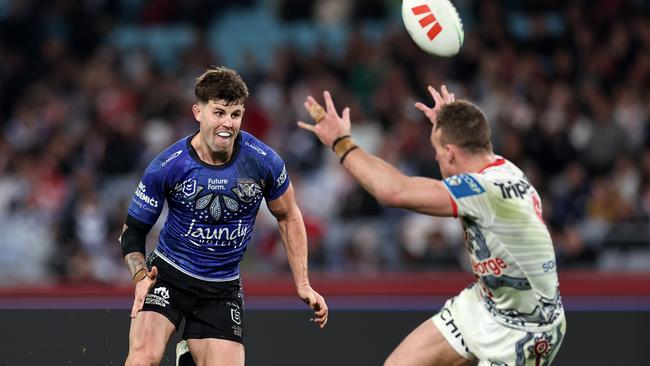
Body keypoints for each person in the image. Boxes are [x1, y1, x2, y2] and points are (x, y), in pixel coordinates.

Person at [297, 86, 565, 365]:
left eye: (437, 150)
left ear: (450, 153)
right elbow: (471, 144)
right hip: (485, 304)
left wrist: (341, 142)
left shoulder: (484, 191)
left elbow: (394, 192)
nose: (435, 157)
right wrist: (449, 121)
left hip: (527, 330)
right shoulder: (501, 169)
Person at [120, 66, 328, 366]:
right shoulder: (167, 165)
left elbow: (289, 216)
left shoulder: (264, 162)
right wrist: (140, 277)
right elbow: (133, 231)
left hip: (221, 287)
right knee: (143, 359)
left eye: (235, 115)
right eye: (218, 112)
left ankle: (190, 358)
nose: (227, 124)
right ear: (197, 112)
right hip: (166, 277)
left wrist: (303, 283)